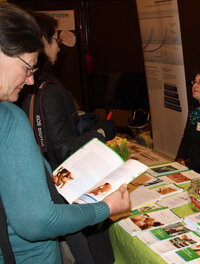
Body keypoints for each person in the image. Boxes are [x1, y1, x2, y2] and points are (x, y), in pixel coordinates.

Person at [0, 3, 129, 263]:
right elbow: (37, 221)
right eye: (28, 66)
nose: (30, 80)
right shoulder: (7, 118)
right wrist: (107, 207)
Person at [20, 11, 116, 170]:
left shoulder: (28, 84)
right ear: (43, 41)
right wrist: (101, 132)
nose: (59, 47)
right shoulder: (47, 90)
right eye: (57, 40)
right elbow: (63, 150)